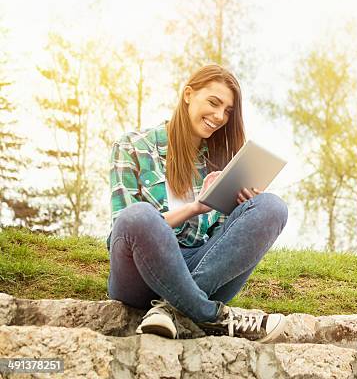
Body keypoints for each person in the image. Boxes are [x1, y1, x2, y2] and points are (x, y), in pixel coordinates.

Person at [106, 64, 288, 343]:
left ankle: (172, 310)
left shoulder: (218, 165)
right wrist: (195, 207)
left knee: (271, 207)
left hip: (198, 270)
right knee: (138, 216)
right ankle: (211, 315)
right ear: (188, 94)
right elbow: (124, 228)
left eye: (227, 111)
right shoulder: (133, 145)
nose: (219, 116)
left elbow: (223, 249)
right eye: (214, 103)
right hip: (139, 274)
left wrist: (241, 209)